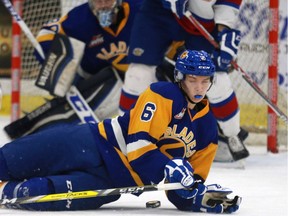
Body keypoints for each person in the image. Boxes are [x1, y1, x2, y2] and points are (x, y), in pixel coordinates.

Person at [0, 50, 241, 212]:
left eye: (205, 80)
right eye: (192, 79)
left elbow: (182, 189)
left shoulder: (208, 128)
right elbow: (138, 147)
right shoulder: (162, 95)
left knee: (34, 194)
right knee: (10, 160)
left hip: (114, 181)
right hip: (94, 143)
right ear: (179, 77)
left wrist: (198, 198)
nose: (199, 87)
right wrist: (167, 168)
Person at [119, 0, 249, 162]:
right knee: (138, 74)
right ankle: (122, 135)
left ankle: (231, 134)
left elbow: (227, 6)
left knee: (216, 78)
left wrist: (225, 31)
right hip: (158, 12)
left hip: (199, 20)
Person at [3, 0, 143, 138]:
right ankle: (27, 137)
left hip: (143, 76)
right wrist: (56, 65)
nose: (103, 5)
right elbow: (48, 32)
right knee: (59, 117)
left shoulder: (139, 9)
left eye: (107, 0)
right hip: (98, 79)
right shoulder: (80, 18)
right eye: (98, 1)